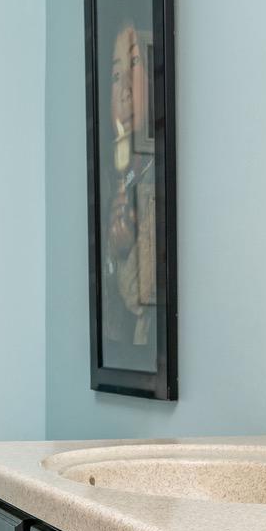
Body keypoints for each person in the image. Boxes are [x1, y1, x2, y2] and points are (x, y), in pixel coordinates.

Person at [101, 19, 157, 368]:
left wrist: (125, 254)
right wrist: (115, 250)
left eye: (134, 63)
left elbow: (143, 296)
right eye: (115, 75)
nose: (124, 90)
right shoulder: (113, 178)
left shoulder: (157, 178)